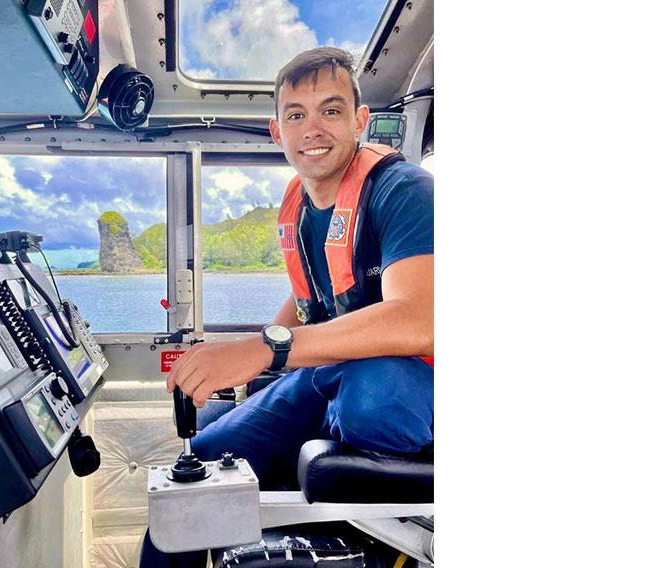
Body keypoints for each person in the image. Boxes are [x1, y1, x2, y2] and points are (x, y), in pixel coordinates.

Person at [140, 46, 433, 565]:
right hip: (327, 374)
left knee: (373, 399)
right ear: (277, 131)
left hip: (408, 379)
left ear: (360, 121)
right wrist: (235, 358)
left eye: (331, 110)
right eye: (296, 115)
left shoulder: (404, 191)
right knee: (200, 466)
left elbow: (421, 319)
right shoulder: (300, 207)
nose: (312, 128)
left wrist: (264, 351)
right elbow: (307, 304)